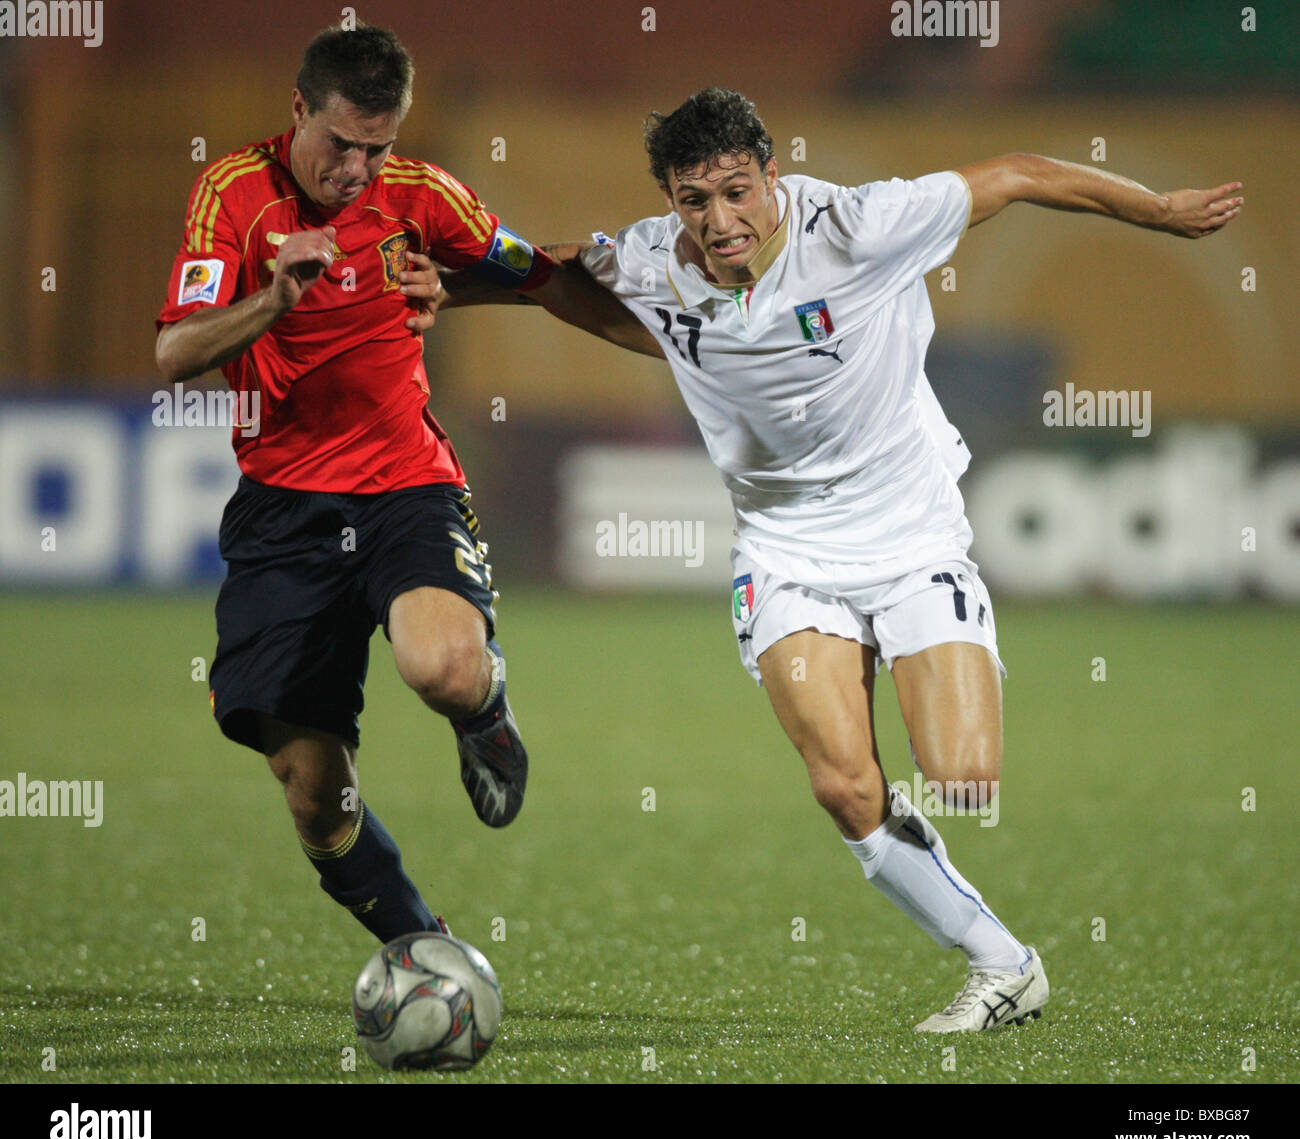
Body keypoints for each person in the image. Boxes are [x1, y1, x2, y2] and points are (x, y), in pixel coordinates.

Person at [525, 87, 1242, 1032]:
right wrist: (438, 287)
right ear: (670, 198)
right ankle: (1003, 963)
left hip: (910, 534)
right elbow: (551, 274)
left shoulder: (863, 227)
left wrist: (1154, 210)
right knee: (842, 782)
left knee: (962, 775)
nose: (719, 220)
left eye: (737, 192)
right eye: (694, 201)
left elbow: (1022, 173)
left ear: (771, 175)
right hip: (786, 549)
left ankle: (945, 660)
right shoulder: (652, 255)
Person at [154, 23, 642, 946]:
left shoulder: (421, 194)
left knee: (443, 666)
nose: (356, 169)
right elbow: (175, 350)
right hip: (283, 512)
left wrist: (665, 351)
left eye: (377, 147)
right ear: (299, 109)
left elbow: (538, 274)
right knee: (312, 792)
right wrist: (272, 302)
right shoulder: (231, 194)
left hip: (402, 483)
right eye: (340, 144)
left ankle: (486, 712)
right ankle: (423, 948)